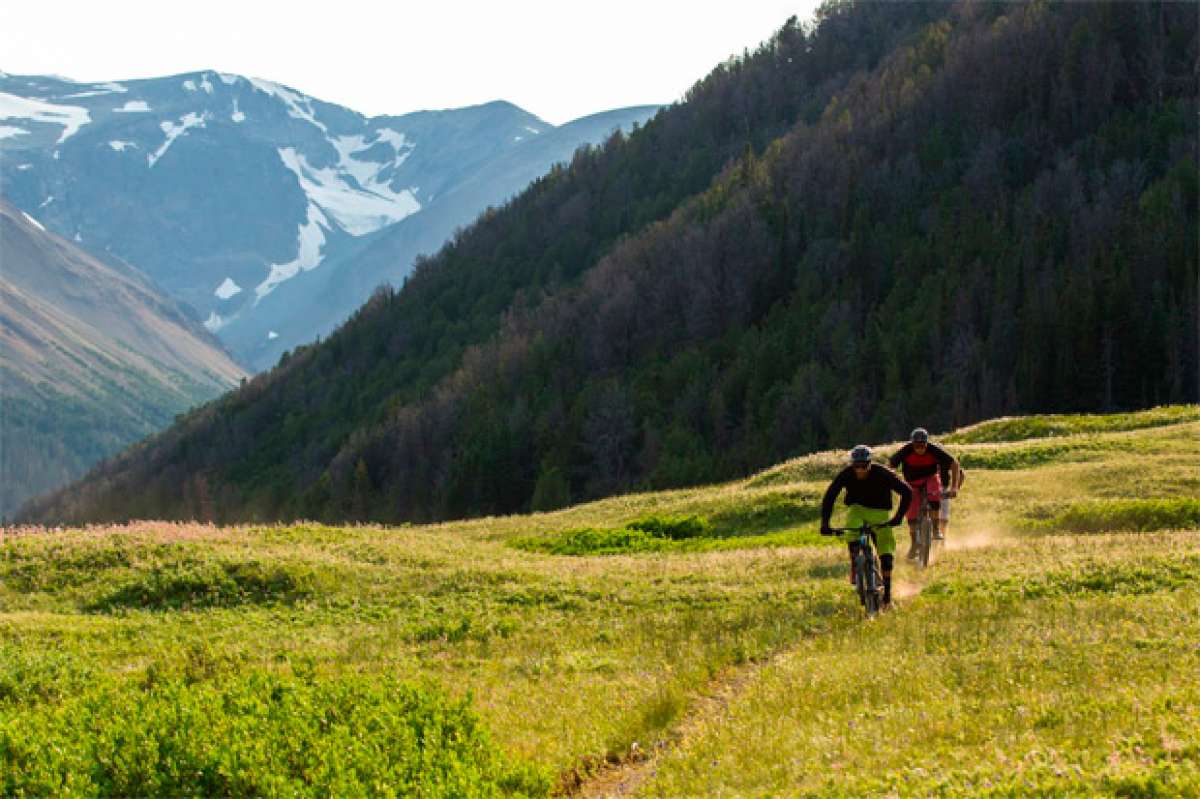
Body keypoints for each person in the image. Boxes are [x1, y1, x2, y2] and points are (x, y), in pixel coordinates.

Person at [820, 444, 912, 608]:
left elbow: (907, 492)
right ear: (852, 464)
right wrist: (825, 523)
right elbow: (830, 496)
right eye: (857, 466)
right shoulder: (846, 474)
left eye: (864, 466)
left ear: (870, 463)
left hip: (880, 512)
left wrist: (898, 517)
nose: (861, 469)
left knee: (885, 553)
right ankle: (856, 565)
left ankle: (887, 596)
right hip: (857, 509)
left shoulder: (883, 473)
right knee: (852, 530)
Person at [888, 427, 962, 559]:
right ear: (912, 444)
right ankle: (914, 544)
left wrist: (954, 487)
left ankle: (935, 528)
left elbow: (954, 464)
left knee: (934, 496)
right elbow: (891, 465)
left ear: (927, 443)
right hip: (912, 483)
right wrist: (894, 481)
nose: (920, 448)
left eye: (923, 445)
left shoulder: (933, 449)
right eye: (917, 445)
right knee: (911, 513)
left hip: (930, 478)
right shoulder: (906, 450)